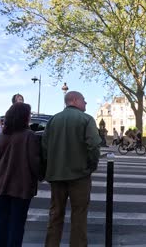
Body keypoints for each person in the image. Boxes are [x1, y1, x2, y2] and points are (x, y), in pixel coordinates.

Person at [41, 91, 101, 247]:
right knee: (79, 216)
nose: (86, 103)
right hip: (79, 175)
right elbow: (94, 145)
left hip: (56, 175)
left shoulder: (53, 120)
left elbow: (44, 148)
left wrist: (48, 168)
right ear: (74, 100)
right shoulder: (86, 119)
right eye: (84, 100)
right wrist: (91, 166)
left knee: (55, 215)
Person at [0, 102, 40, 247]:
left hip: (1, 185)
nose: (30, 117)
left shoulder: (1, 136)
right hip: (21, 187)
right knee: (17, 225)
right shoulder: (29, 136)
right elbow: (34, 162)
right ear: (24, 117)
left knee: (3, 223)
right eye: (29, 115)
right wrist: (41, 176)